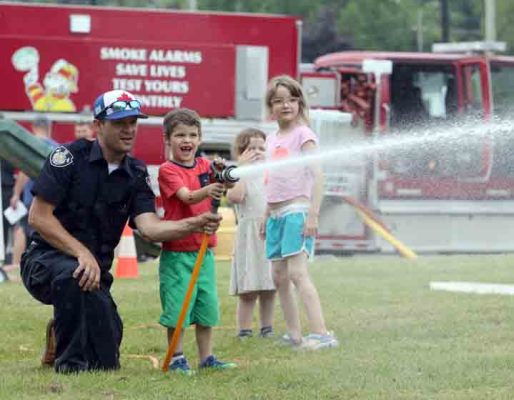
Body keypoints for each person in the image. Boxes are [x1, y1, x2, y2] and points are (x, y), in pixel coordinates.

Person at [19, 90, 221, 374]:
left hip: (94, 275)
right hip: (44, 261)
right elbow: (38, 217)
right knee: (72, 275)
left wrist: (195, 224)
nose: (128, 130)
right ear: (98, 125)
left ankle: (60, 330)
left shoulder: (135, 173)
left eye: (133, 123)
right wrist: (81, 252)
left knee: (107, 360)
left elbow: (150, 228)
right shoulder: (67, 157)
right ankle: (69, 365)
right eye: (119, 123)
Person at [158, 108, 237, 374]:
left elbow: (227, 185)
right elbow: (187, 197)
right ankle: (177, 357)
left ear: (200, 139)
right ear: (168, 139)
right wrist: (209, 188)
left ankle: (207, 358)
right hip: (178, 253)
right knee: (179, 307)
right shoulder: (168, 170)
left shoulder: (205, 165)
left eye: (192, 135)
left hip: (205, 252)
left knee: (207, 305)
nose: (187, 140)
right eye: (180, 135)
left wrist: (225, 174)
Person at [263, 75, 339, 350]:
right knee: (278, 276)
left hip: (297, 211)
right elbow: (271, 179)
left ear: (299, 103)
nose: (286, 105)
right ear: (271, 106)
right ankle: (294, 333)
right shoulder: (271, 139)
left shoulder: (304, 135)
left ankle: (321, 333)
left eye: (292, 99)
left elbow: (318, 176)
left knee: (297, 274)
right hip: (275, 215)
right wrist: (265, 215)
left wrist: (313, 215)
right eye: (279, 100)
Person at [227, 128, 275, 339]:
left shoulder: (272, 172)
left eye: (261, 148)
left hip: (270, 232)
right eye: (250, 148)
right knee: (248, 289)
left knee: (270, 286)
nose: (257, 152)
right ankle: (244, 330)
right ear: (240, 152)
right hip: (249, 236)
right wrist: (242, 168)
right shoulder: (238, 174)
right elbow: (235, 197)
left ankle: (267, 328)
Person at [7, 116, 57, 271]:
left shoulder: (31, 145)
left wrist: (16, 194)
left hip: (32, 197)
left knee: (22, 228)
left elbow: (24, 173)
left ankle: (16, 264)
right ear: (49, 127)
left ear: (33, 127)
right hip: (52, 198)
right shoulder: (57, 147)